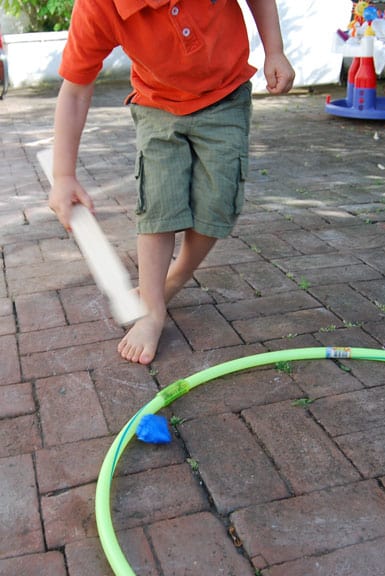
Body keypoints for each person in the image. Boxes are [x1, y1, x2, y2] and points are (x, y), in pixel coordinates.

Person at [48, 0, 295, 365]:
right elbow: (75, 90)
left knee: (217, 206)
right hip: (157, 105)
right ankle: (151, 309)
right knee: (159, 205)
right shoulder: (98, 6)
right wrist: (63, 175)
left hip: (226, 97)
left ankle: (175, 279)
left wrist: (275, 51)